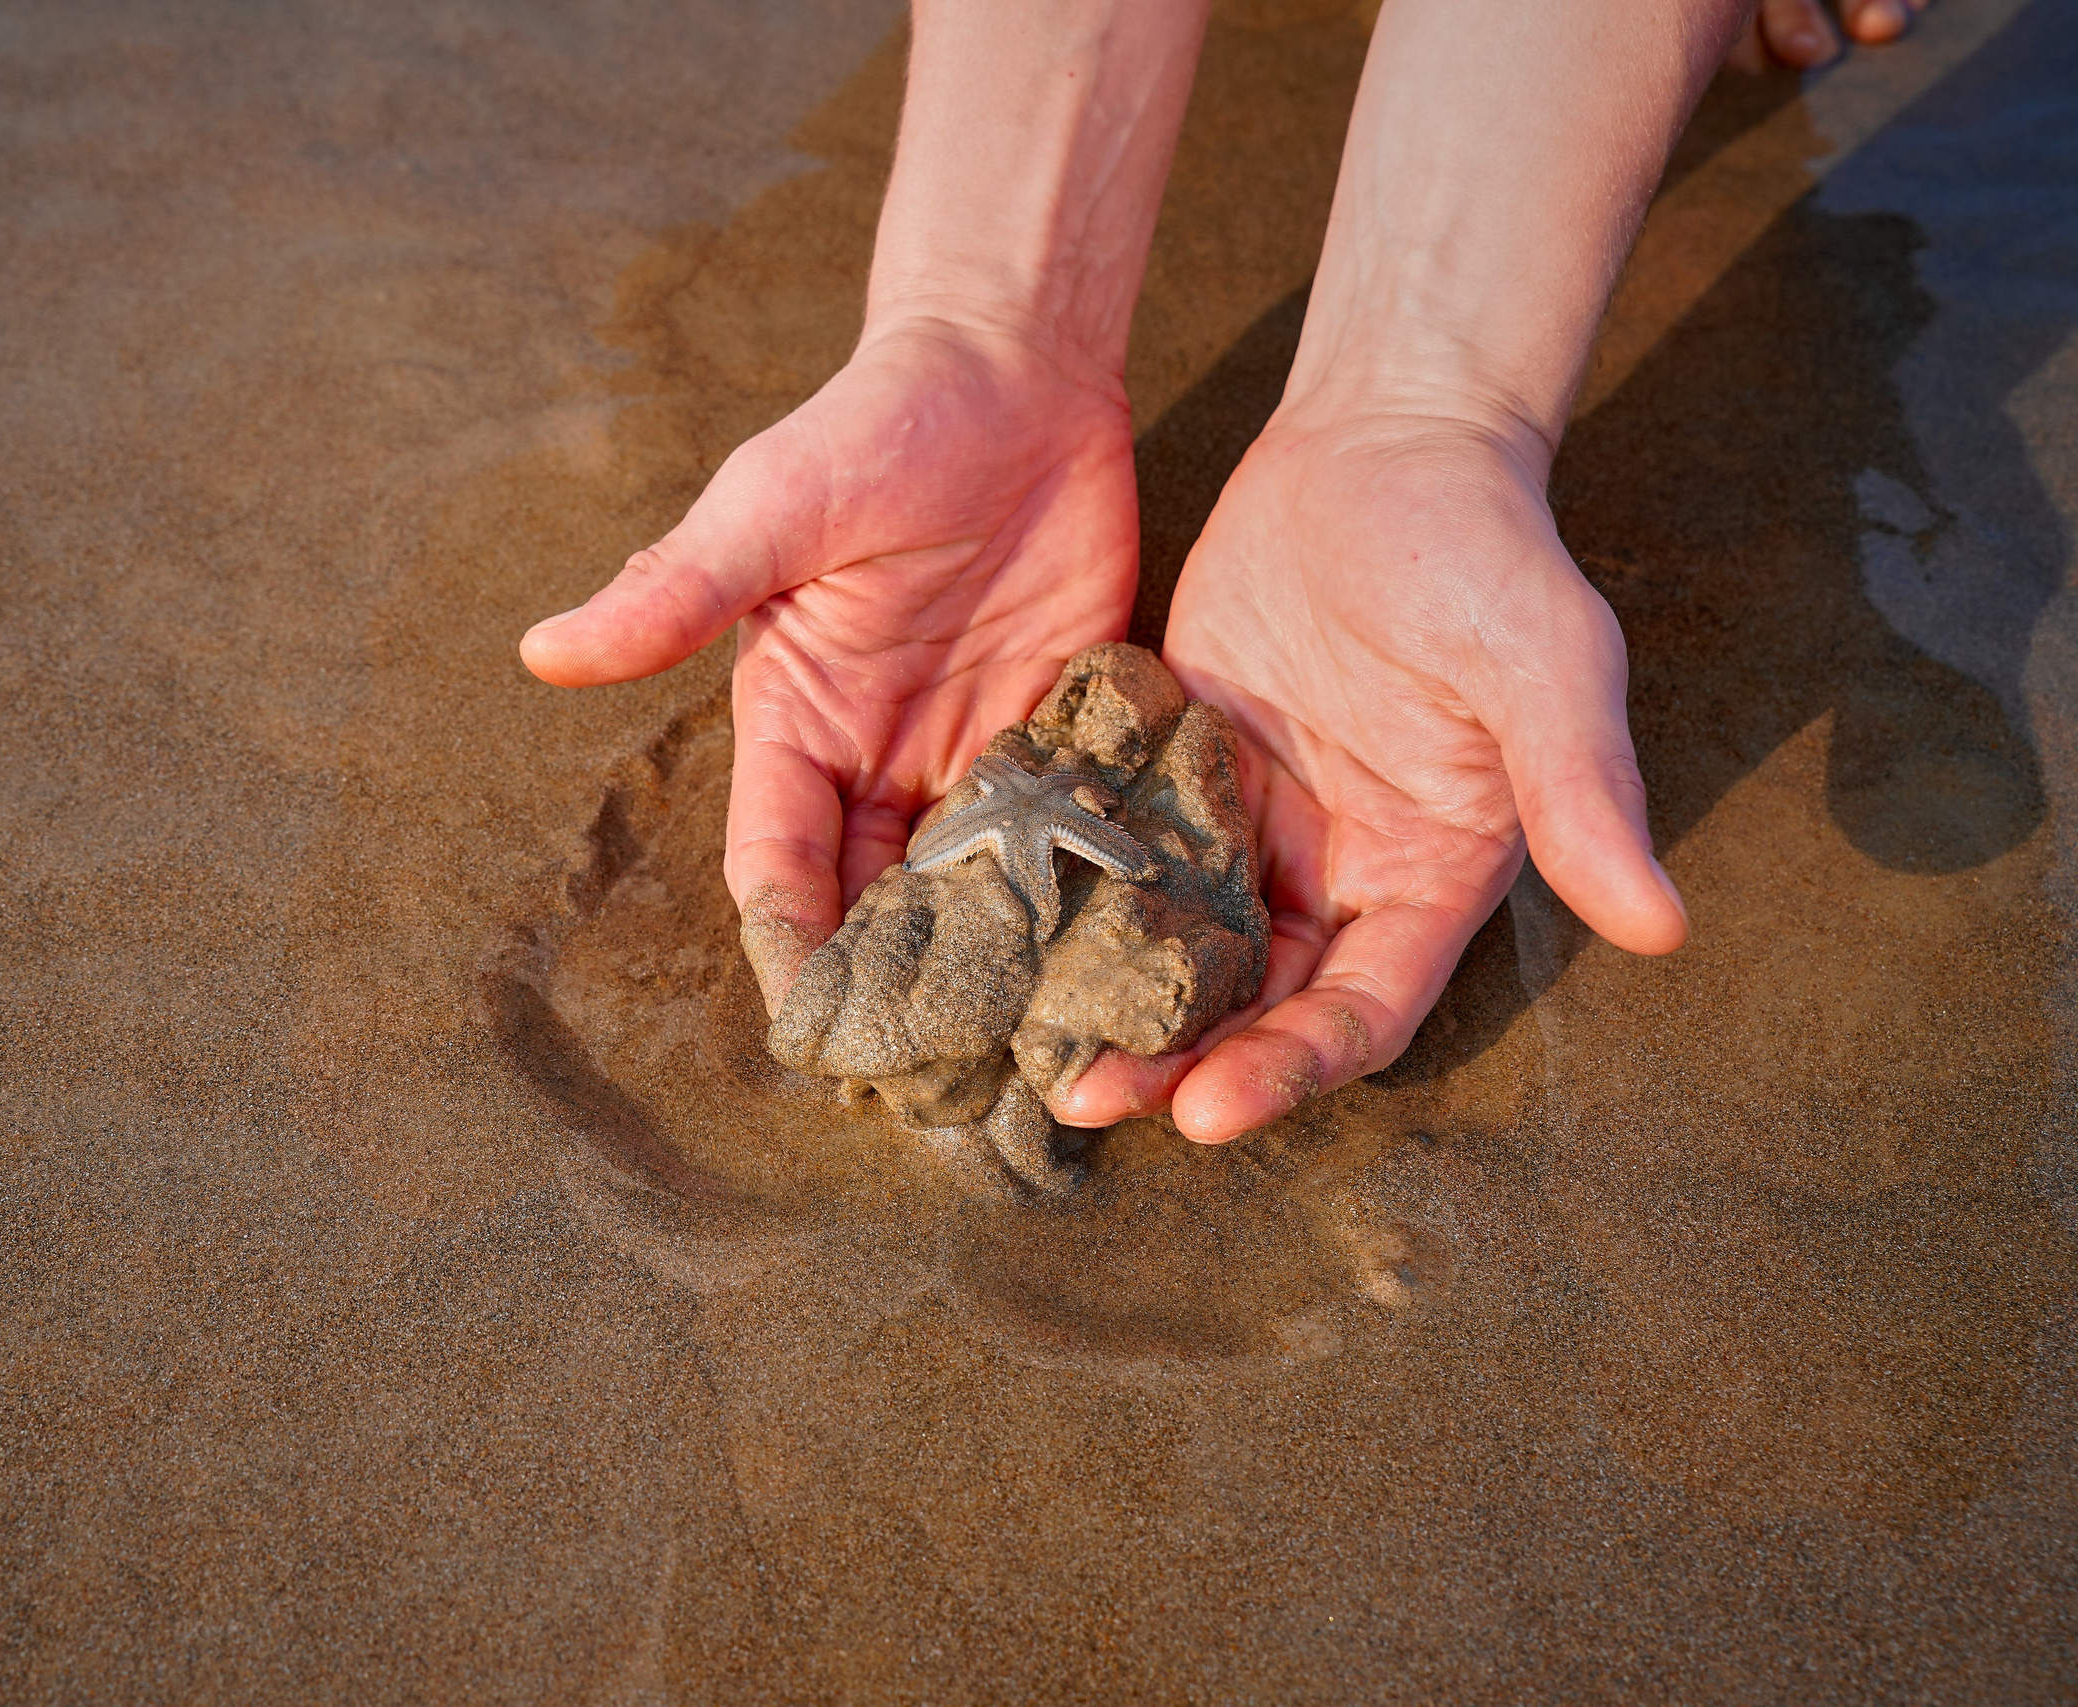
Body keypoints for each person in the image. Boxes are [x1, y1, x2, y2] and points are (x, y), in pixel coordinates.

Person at [521, 0, 1926, 1143]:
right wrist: (983, 319)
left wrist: (1428, 405)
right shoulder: (1022, 811)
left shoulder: (1053, 816)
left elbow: (1036, 822)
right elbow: (1019, 818)